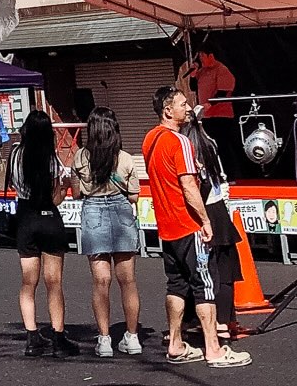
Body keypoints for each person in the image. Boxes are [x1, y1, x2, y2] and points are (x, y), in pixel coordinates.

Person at [143, 85, 247, 367]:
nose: (188, 108)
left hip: (167, 227)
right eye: (182, 104)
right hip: (188, 225)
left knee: (176, 285)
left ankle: (176, 344)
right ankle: (214, 349)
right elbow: (188, 185)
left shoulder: (149, 139)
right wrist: (205, 220)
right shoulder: (180, 142)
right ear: (168, 111)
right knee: (205, 286)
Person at [74, 106, 144, 358]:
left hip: (93, 211)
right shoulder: (125, 158)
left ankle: (104, 339)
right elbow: (134, 196)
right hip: (121, 210)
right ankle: (133, 337)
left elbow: (76, 193)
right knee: (128, 280)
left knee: (101, 281)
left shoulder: (81, 157)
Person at [12, 107, 77, 357]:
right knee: (54, 282)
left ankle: (32, 337)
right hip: (48, 219)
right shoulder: (50, 158)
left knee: (28, 282)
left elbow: (15, 186)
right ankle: (58, 337)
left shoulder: (15, 155)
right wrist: (65, 187)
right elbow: (55, 199)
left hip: (25, 219)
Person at [185, 108, 243, 344]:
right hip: (219, 210)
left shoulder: (185, 148)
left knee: (199, 271)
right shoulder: (209, 143)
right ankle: (224, 323)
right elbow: (220, 179)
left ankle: (197, 323)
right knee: (224, 271)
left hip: (198, 211)